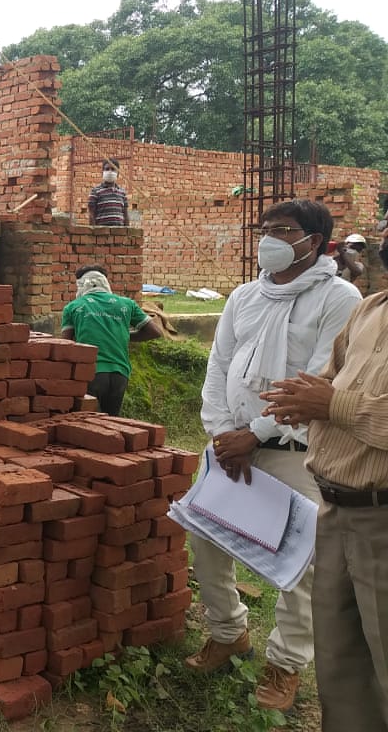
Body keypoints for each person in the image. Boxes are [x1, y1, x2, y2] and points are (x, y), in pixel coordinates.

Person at [187, 199, 362, 714]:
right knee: (206, 535)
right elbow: (219, 365)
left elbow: (320, 378)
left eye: (282, 229)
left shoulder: (339, 297)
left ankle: (285, 665)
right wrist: (224, 432)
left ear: (314, 241)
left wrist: (256, 434)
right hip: (230, 444)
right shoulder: (245, 295)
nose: (268, 238)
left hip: (295, 448)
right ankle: (228, 631)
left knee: (301, 558)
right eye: (264, 228)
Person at [259, 218, 388, 731]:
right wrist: (302, 401)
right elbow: (328, 381)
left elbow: (333, 398)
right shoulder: (371, 310)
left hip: (382, 518)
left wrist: (332, 405)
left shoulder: (344, 298)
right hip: (335, 511)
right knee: (341, 666)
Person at [60, 266, 162, 415]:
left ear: (81, 285)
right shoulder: (127, 304)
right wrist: (124, 336)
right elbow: (155, 332)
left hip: (91, 373)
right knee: (112, 422)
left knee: (88, 421)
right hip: (120, 374)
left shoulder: (73, 307)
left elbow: (64, 345)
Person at [87, 158, 129, 226]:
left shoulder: (122, 193)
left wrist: (127, 231)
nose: (110, 171)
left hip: (119, 231)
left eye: (113, 169)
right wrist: (94, 231)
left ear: (118, 173)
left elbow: (126, 215)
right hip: (102, 231)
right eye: (107, 169)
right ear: (102, 172)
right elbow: (91, 215)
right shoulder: (95, 191)